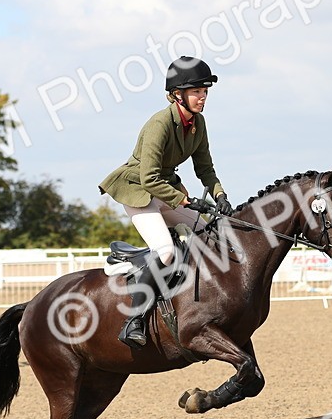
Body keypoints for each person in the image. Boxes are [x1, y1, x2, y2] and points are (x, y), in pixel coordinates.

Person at [98, 56, 234, 347]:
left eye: (205, 91)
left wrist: (220, 196)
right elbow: (149, 178)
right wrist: (187, 200)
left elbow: (205, 169)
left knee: (207, 235)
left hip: (166, 190)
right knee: (167, 252)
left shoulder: (198, 123)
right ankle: (133, 320)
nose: (203, 97)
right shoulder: (160, 123)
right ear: (178, 94)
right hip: (138, 191)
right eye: (197, 91)